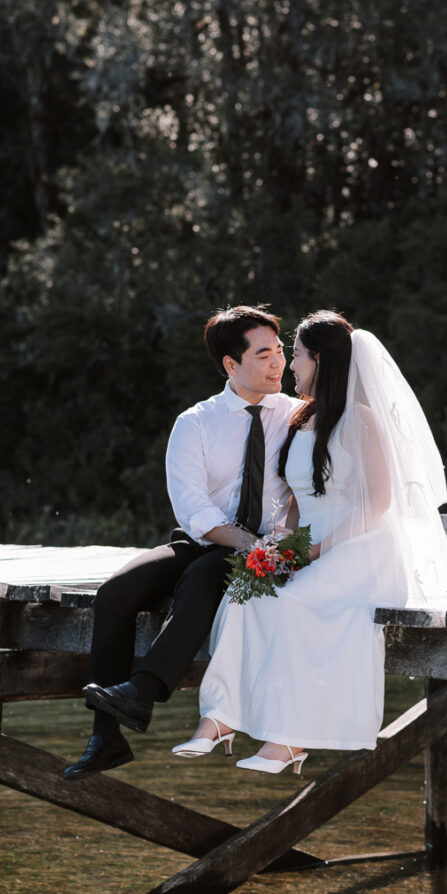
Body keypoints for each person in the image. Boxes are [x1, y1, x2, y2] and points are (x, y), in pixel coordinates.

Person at [172, 311, 447, 774]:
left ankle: (291, 739)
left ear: (321, 360)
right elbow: (295, 497)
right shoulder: (302, 417)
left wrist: (317, 552)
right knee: (244, 599)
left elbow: (378, 504)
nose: (289, 367)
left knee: (290, 604)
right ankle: (221, 716)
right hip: (312, 542)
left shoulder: (361, 420)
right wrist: (282, 545)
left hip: (362, 545)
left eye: (298, 356)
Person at [63, 305, 301, 779]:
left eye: (280, 352)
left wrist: (269, 548)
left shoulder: (298, 417)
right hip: (206, 540)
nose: (278, 364)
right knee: (115, 593)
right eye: (264, 355)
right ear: (232, 365)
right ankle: (106, 738)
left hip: (270, 549)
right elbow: (195, 511)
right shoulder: (195, 423)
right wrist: (246, 543)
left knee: (204, 574)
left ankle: (143, 692)